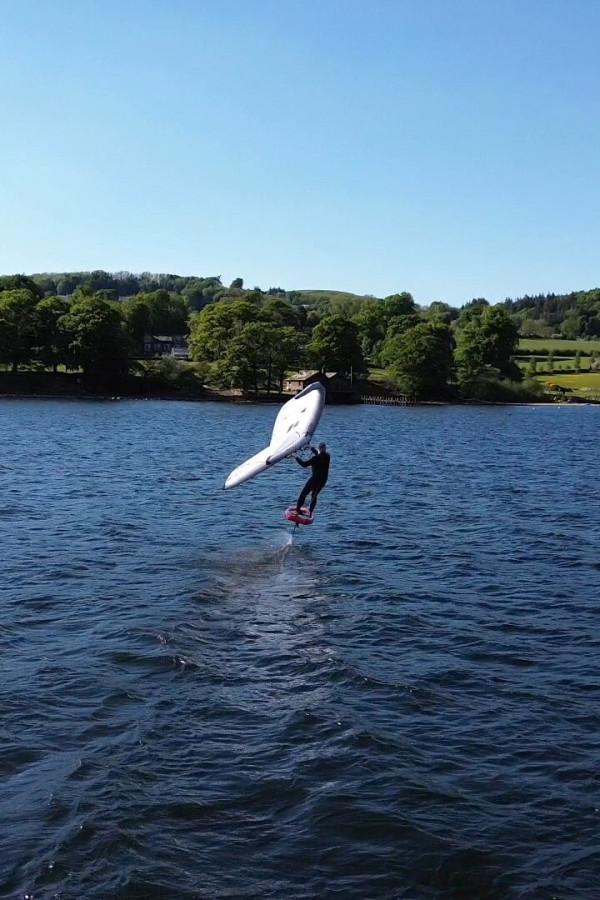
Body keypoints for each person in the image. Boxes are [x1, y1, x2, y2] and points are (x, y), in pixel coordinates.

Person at [294, 442, 330, 516]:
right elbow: (319, 455)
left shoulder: (315, 459)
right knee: (314, 495)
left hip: (315, 479)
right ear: (325, 449)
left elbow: (303, 464)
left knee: (303, 494)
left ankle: (297, 511)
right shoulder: (327, 456)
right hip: (323, 480)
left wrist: (295, 457)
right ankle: (310, 512)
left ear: (319, 449)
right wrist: (312, 449)